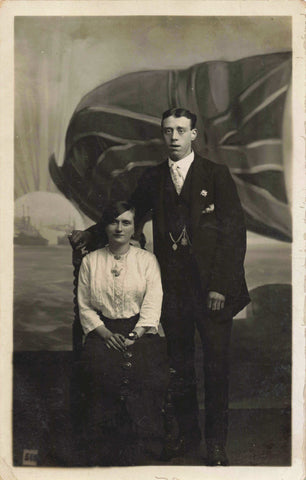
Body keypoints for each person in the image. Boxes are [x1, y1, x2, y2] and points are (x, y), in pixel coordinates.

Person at [71, 108, 250, 466]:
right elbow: (128, 212)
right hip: (175, 292)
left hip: (213, 292)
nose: (173, 137)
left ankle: (216, 444)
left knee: (215, 368)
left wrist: (219, 287)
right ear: (162, 134)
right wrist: (88, 235)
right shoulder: (154, 178)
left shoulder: (216, 175)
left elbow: (234, 234)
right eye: (167, 131)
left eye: (181, 131)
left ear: (194, 135)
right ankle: (187, 437)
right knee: (180, 367)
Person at [76, 200, 166, 466]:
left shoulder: (147, 261)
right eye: (114, 221)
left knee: (145, 381)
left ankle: (144, 450)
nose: (119, 228)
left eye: (126, 222)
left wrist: (136, 333)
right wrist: (104, 334)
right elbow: (85, 306)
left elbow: (153, 301)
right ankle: (104, 451)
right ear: (104, 226)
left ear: (134, 228)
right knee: (101, 381)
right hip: (103, 331)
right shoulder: (91, 262)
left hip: (141, 331)